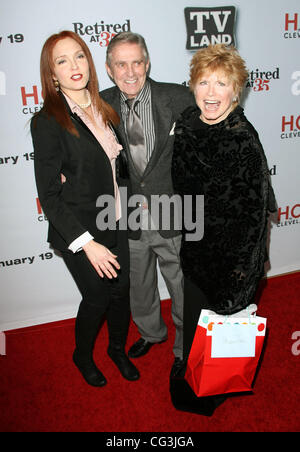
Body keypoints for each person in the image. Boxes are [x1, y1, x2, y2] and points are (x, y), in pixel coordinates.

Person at [170, 44, 276, 414]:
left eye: (221, 83)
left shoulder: (243, 140)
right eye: (203, 82)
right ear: (192, 86)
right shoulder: (185, 124)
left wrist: (240, 279)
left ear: (237, 89)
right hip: (196, 248)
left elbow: (253, 219)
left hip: (232, 261)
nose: (211, 93)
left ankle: (213, 391)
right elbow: (182, 189)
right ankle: (191, 381)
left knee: (222, 339)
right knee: (194, 328)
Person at [31, 30, 139, 387]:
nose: (73, 66)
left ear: (89, 63)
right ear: (52, 74)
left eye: (79, 56)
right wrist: (87, 243)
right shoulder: (47, 120)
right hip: (78, 229)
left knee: (122, 290)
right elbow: (49, 194)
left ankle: (118, 349)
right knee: (97, 296)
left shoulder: (105, 106)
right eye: (62, 61)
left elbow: (113, 168)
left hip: (117, 217)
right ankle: (82, 354)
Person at [101, 32, 195, 374]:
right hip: (126, 214)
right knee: (138, 284)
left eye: (136, 62)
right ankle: (150, 333)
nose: (130, 71)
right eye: (121, 64)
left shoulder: (179, 97)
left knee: (182, 286)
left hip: (175, 211)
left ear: (147, 62)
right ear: (110, 69)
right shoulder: (100, 104)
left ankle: (184, 347)